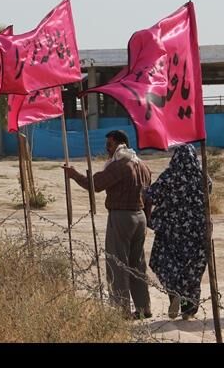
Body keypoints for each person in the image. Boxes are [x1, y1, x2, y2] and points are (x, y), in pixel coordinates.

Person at [64, 130, 153, 319]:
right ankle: (144, 307)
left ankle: (120, 310)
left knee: (117, 263)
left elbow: (95, 184)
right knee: (137, 264)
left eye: (110, 144)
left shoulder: (121, 165)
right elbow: (149, 196)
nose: (107, 148)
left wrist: (74, 175)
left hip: (121, 217)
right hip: (140, 217)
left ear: (119, 144)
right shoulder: (142, 165)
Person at [144, 144, 209, 320]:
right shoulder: (203, 177)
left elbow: (151, 196)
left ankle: (174, 294)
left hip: (171, 232)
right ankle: (188, 310)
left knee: (164, 262)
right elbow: (208, 194)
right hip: (197, 234)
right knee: (192, 272)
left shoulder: (170, 176)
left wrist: (144, 193)